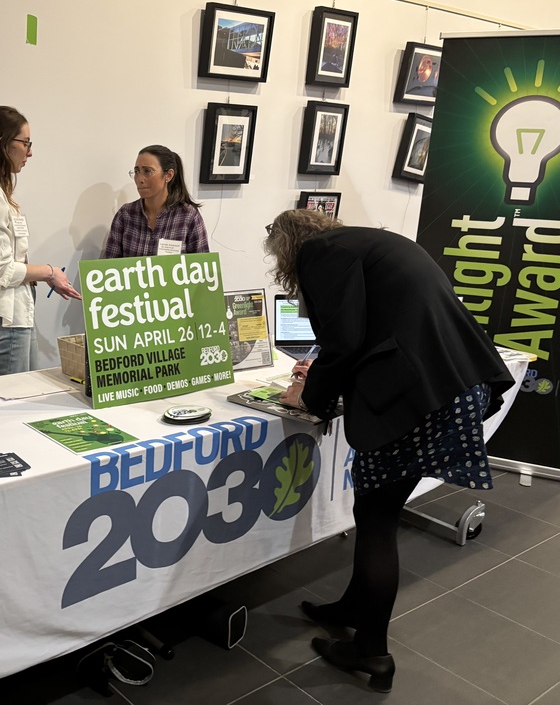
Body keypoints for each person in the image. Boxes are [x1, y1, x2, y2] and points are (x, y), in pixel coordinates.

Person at [263, 208, 514, 692]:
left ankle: (371, 651)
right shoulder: (367, 243)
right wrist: (323, 378)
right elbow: (370, 327)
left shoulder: (320, 253)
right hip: (458, 383)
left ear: (290, 245)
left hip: (421, 393)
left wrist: (310, 398)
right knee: (380, 507)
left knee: (377, 519)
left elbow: (344, 339)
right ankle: (356, 607)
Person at [0, 106, 81, 376]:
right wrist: (50, 272)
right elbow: (2, 270)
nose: (30, 152)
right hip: (4, 319)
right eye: (25, 143)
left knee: (22, 398)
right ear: (2, 144)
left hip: (16, 315)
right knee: (10, 404)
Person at [100, 145, 209, 258]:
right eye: (137, 171)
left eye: (147, 171)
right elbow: (110, 266)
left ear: (168, 175)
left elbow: (202, 268)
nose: (139, 179)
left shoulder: (188, 216)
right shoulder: (125, 214)